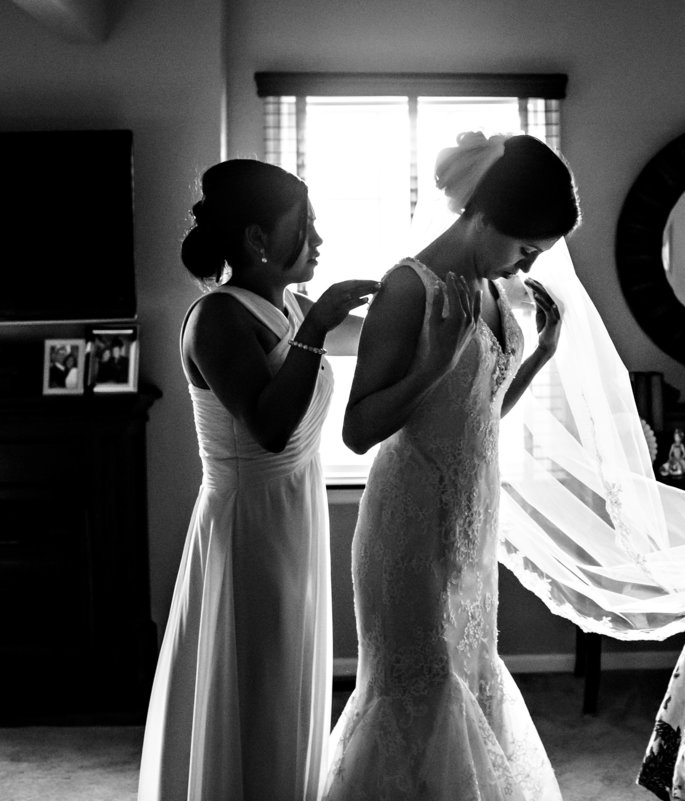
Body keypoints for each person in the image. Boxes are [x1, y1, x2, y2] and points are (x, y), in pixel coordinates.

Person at [323, 132, 576, 801]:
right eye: (524, 246)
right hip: (408, 524)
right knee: (420, 688)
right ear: (483, 217)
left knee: (469, 675)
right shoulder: (409, 287)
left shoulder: (493, 286)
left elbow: (477, 415)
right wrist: (431, 365)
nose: (526, 264)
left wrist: (542, 355)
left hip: (468, 520)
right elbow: (357, 430)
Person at [138, 159, 378, 801]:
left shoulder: (292, 306)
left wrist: (428, 296)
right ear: (256, 240)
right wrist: (319, 327)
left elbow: (381, 340)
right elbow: (270, 426)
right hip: (246, 526)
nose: (320, 242)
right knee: (255, 680)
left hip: (297, 514)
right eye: (306, 226)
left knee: (290, 681)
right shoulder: (216, 317)